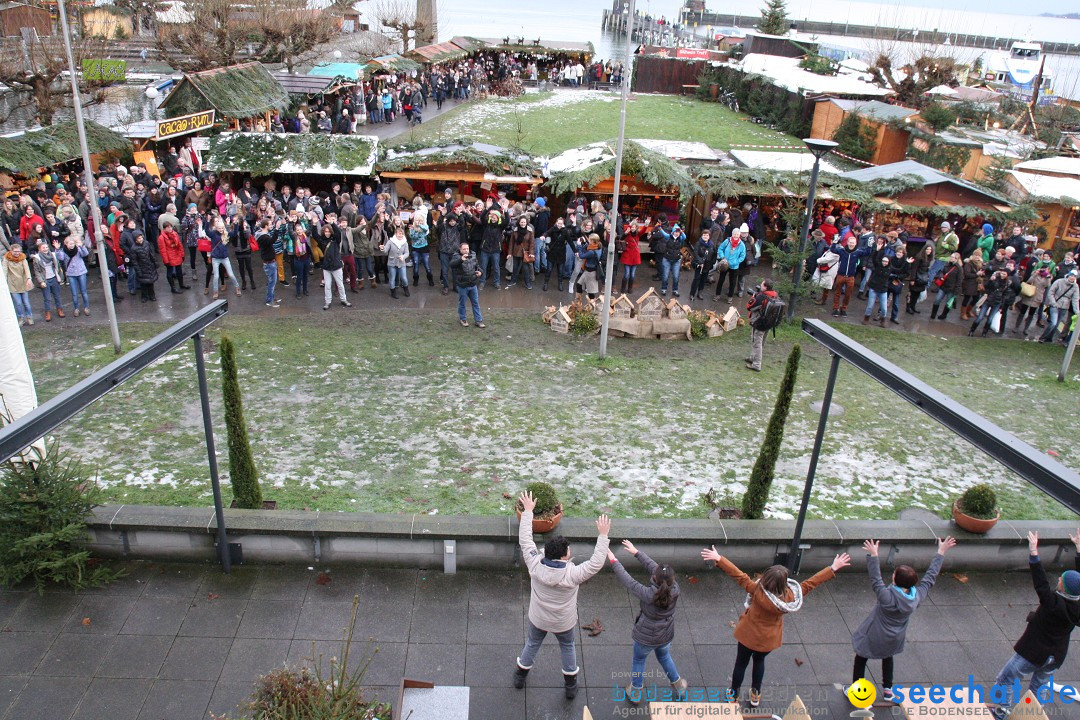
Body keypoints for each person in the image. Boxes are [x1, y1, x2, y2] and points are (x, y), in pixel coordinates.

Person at [700, 545, 850, 707]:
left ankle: (734, 695)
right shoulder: (789, 597)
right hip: (768, 640)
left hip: (748, 636)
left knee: (741, 664)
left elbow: (739, 576)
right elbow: (809, 584)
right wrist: (832, 568)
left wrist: (719, 559)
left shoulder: (757, 590)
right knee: (759, 663)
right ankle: (755, 695)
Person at [514, 490, 610, 701]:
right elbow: (595, 563)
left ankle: (520, 675)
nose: (570, 552)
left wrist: (528, 511)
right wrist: (603, 535)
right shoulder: (573, 574)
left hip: (538, 618)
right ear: (564, 556)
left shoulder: (534, 563)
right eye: (568, 551)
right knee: (567, 647)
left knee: (532, 643)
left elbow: (525, 540)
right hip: (563, 622)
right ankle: (570, 685)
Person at [851, 536, 956, 702]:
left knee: (861, 657)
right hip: (895, 637)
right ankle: (887, 690)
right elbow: (930, 578)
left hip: (874, 634)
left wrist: (873, 555)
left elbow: (876, 579)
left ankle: (857, 691)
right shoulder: (916, 597)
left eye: (894, 573)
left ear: (894, 579)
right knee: (888, 657)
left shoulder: (887, 597)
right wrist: (941, 552)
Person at [991, 531, 1080, 719]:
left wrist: (1033, 552)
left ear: (1063, 588)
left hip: (1034, 652)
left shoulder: (1052, 603)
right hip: (1055, 656)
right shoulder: (1076, 605)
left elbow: (1040, 581)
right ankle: (1030, 716)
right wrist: (1079, 550)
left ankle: (1001, 713)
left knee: (1006, 679)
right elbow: (1076, 582)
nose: (1058, 579)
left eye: (1061, 580)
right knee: (1038, 688)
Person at [608, 539, 688, 704]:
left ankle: (636, 692)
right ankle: (679, 685)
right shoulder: (675, 589)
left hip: (646, 634)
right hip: (665, 632)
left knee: (639, 660)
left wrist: (613, 560)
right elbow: (657, 570)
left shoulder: (648, 593)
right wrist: (637, 553)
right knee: (664, 656)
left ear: (654, 578)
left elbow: (628, 580)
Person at [745, 278, 778, 373]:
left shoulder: (761, 297)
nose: (760, 285)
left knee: (757, 342)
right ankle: (752, 357)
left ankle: (756, 364)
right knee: (760, 342)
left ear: (765, 287)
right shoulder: (775, 295)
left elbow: (749, 307)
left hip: (759, 323)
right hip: (769, 323)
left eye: (762, 285)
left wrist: (754, 297)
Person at [450, 242, 484, 328]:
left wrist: (480, 272)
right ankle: (463, 319)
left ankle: (478, 320)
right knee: (462, 303)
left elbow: (477, 266)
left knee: (476, 303)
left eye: (467, 249)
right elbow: (452, 265)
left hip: (472, 283)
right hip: (462, 285)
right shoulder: (456, 256)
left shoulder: (473, 255)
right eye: (464, 249)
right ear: (460, 250)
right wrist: (461, 259)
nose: (466, 251)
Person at [319, 222, 352, 311]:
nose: (327, 233)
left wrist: (333, 224)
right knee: (327, 286)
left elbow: (338, 233)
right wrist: (314, 225)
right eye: (325, 231)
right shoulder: (322, 240)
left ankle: (343, 299)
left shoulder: (336, 240)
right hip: (326, 267)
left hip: (336, 266)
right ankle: (328, 301)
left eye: (329, 231)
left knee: (340, 285)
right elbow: (315, 235)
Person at [1040, 272, 1079, 344]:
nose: (1072, 277)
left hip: (1064, 307)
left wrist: (1077, 311)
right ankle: (1043, 337)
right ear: (1068, 275)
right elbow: (1051, 292)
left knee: (1057, 324)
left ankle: (1049, 338)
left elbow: (1075, 299)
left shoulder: (1075, 286)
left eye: (1074, 276)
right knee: (1053, 323)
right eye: (1071, 275)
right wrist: (1053, 303)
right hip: (1055, 305)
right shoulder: (1059, 281)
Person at [58, 235, 90, 316]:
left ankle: (86, 307)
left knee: (84, 291)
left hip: (81, 272)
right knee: (74, 293)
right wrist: (57, 249)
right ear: (66, 244)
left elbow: (85, 254)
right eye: (70, 244)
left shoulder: (78, 249)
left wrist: (82, 246)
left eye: (73, 243)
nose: (72, 245)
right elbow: (60, 258)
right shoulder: (63, 251)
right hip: (71, 273)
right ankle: (76, 308)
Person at [32, 240, 64, 321]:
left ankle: (60, 310)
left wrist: (60, 277)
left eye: (46, 247)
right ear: (39, 249)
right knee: (47, 298)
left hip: (54, 278)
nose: (45, 249)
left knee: (57, 296)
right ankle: (48, 313)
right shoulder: (37, 258)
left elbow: (59, 263)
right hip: (45, 280)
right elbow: (37, 271)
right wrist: (41, 281)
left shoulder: (52, 255)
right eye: (43, 248)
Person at [4, 243, 34, 326]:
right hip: (13, 284)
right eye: (15, 251)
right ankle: (21, 318)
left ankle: (29, 317)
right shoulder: (6, 259)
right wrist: (4, 283)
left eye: (18, 251)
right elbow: (5, 270)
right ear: (11, 251)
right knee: (18, 303)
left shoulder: (23, 258)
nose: (17, 253)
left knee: (26, 303)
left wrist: (29, 278)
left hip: (23, 283)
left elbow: (27, 269)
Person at [929, 251, 963, 321]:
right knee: (937, 299)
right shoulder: (947, 265)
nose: (951, 258)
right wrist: (941, 276)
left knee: (948, 303)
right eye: (951, 256)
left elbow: (959, 280)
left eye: (952, 257)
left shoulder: (959, 268)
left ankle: (944, 315)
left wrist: (956, 290)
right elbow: (941, 272)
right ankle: (933, 314)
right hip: (943, 286)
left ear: (956, 259)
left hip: (951, 289)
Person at [716, 226, 746, 301]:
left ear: (739, 235)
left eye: (737, 234)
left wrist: (736, 262)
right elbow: (720, 249)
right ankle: (717, 295)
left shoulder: (742, 245)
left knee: (732, 282)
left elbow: (742, 256)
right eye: (734, 234)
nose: (736, 236)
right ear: (732, 234)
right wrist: (723, 257)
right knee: (721, 280)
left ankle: (730, 297)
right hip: (724, 264)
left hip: (734, 266)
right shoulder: (727, 241)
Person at [158, 221, 187, 294]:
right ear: (164, 229)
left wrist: (182, 254)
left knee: (179, 271)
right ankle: (173, 288)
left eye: (170, 227)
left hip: (176, 254)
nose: (170, 228)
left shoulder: (175, 234)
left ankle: (181, 284)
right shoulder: (161, 238)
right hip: (169, 256)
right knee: (170, 273)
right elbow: (163, 250)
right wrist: (166, 260)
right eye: (168, 227)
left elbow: (180, 245)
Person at [382, 224, 411, 299]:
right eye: (399, 234)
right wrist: (382, 248)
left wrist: (403, 257)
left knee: (404, 278)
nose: (400, 235)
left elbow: (407, 253)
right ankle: (393, 292)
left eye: (402, 234)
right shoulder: (391, 241)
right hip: (392, 263)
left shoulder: (405, 242)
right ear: (396, 234)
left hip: (401, 263)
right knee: (392, 278)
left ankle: (406, 289)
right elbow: (385, 250)